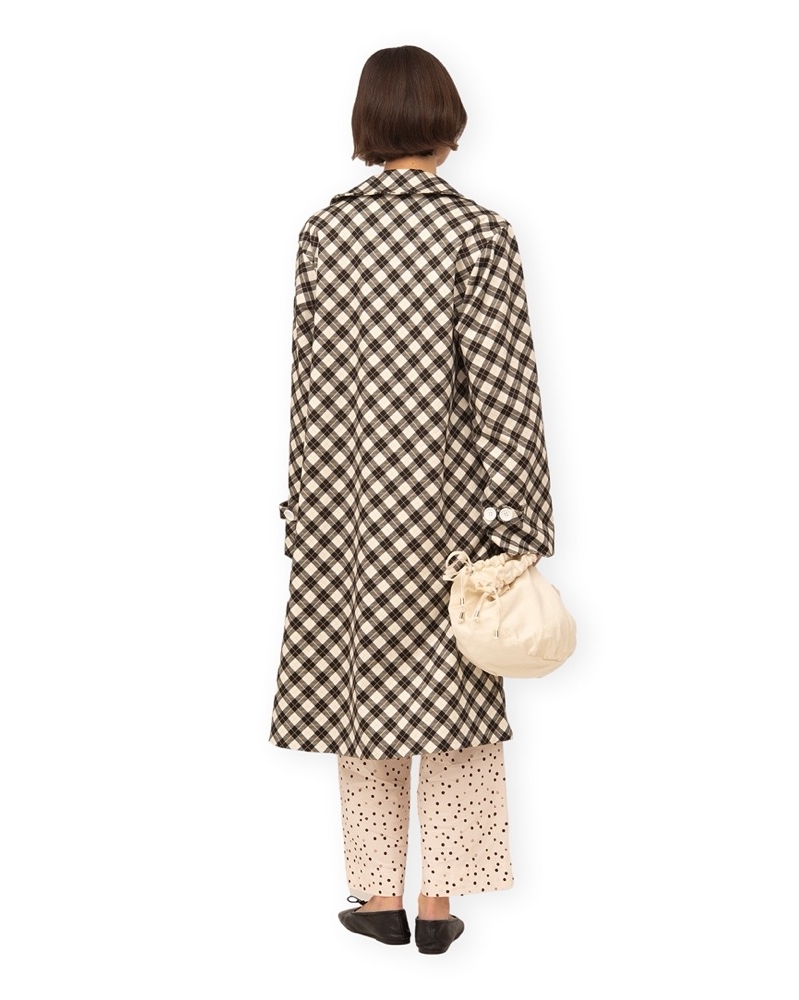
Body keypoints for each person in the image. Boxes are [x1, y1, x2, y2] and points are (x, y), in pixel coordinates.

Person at [270, 45, 556, 955]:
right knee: (458, 707)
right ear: (447, 122)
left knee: (365, 704)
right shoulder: (478, 233)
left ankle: (376, 897)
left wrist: (303, 511)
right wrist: (520, 522)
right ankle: (437, 906)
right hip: (454, 514)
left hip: (348, 513)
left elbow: (311, 388)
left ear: (367, 123)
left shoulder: (325, 233)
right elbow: (505, 391)